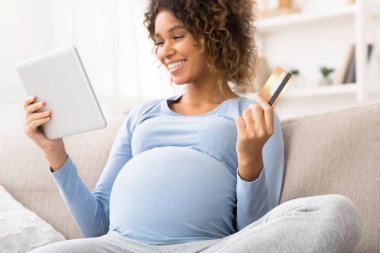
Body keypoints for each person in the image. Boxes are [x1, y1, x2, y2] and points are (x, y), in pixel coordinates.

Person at [25, 0, 361, 252]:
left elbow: (253, 229)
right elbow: (95, 226)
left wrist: (249, 161)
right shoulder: (140, 116)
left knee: (336, 211)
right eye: (159, 41)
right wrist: (55, 152)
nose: (164, 51)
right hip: (119, 247)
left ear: (215, 36)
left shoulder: (252, 116)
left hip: (207, 248)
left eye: (177, 36)